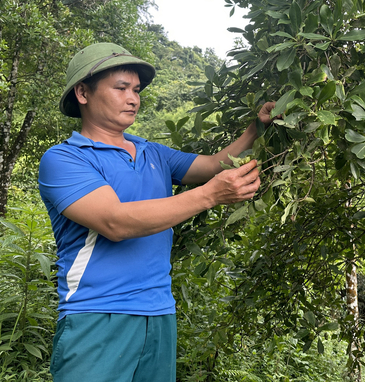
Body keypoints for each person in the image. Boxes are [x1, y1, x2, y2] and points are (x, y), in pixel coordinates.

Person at [38, 42, 275, 382]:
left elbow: (211, 166)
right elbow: (114, 221)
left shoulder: (153, 153)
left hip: (159, 313)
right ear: (82, 93)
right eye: (121, 88)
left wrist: (255, 128)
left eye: (135, 90)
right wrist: (209, 196)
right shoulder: (65, 159)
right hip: (97, 315)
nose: (133, 98)